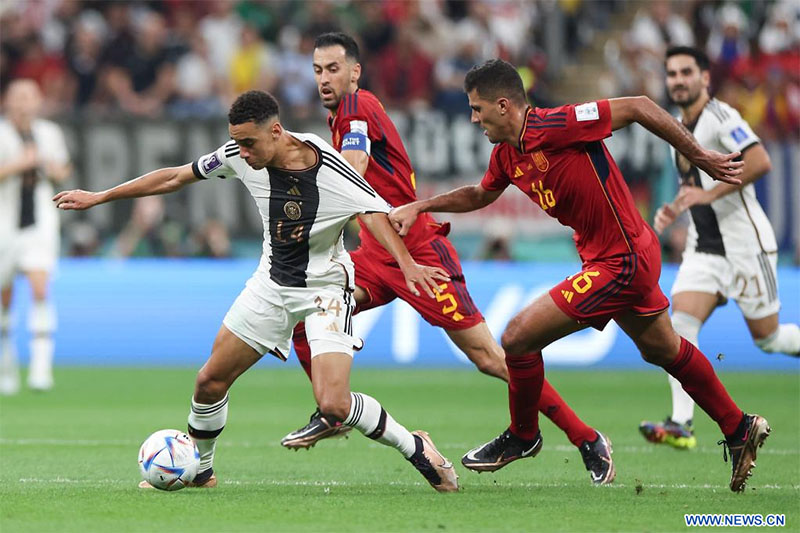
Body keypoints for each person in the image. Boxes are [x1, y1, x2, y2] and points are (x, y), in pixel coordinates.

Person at [390, 59, 770, 493]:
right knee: (663, 349)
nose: (474, 119)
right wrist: (421, 206)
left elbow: (640, 106)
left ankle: (523, 435)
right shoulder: (506, 154)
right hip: (611, 258)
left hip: (622, 258)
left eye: (477, 109)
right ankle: (739, 427)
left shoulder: (559, 124)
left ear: (503, 105)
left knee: (515, 338)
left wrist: (699, 156)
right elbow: (480, 193)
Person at [53, 90, 459, 493]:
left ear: (277, 132)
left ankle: (416, 447)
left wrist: (407, 265)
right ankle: (201, 471)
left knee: (333, 405)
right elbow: (177, 175)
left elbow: (374, 215)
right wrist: (102, 196)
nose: (241, 152)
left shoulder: (331, 171)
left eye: (249, 143)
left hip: (325, 290)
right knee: (210, 381)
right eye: (238, 142)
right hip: (270, 285)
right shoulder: (238, 154)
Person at [282, 32, 616, 485]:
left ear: (355, 72)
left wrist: (326, 196)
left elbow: (355, 163)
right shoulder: (341, 115)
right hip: (377, 255)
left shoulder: (357, 110)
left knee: (490, 358)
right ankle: (332, 411)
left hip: (420, 252)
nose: (324, 78)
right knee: (308, 316)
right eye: (318, 70)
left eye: (333, 69)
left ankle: (586, 438)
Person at [639, 46, 799, 450]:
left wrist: (705, 198)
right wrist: (677, 206)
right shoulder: (677, 128)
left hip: (745, 245)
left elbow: (760, 161)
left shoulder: (721, 117)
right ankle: (681, 423)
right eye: (671, 73)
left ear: (705, 78)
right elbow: (694, 186)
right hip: (705, 248)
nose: (678, 80)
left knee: (769, 339)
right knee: (679, 327)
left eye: (686, 72)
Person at [0, 79, 71, 395]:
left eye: (30, 97)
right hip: (4, 220)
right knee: (4, 296)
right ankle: (7, 365)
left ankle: (41, 367)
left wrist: (53, 168)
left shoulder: (49, 133)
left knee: (40, 286)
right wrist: (21, 163)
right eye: (18, 97)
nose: (24, 103)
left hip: (39, 219)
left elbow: (62, 171)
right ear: (8, 101)